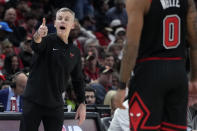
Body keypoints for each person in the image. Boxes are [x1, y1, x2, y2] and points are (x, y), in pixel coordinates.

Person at [115, 0, 197, 131]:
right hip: (178, 73)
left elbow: (131, 46)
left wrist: (121, 86)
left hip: (149, 74)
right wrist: (194, 79)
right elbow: (194, 43)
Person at [22, 8, 86, 131]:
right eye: (60, 18)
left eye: (67, 19)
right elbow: (36, 45)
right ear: (55, 23)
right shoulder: (46, 40)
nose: (62, 21)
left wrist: (82, 103)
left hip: (55, 105)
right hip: (33, 101)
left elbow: (78, 79)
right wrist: (38, 35)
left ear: (72, 25)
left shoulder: (75, 51)